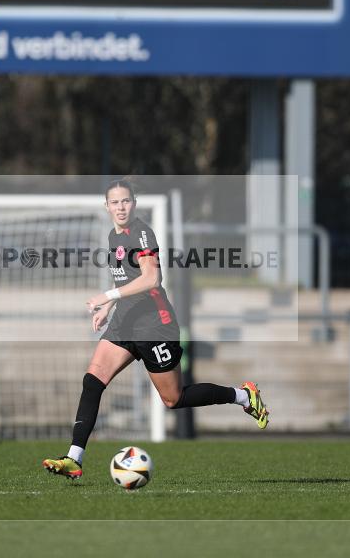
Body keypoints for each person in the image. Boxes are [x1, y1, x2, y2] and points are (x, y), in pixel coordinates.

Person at [42, 179, 269, 480]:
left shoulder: (142, 232)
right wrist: (110, 306)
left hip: (155, 325)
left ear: (133, 203)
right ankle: (74, 458)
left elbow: (151, 279)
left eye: (126, 201)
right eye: (115, 202)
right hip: (126, 320)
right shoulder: (113, 236)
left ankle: (242, 396)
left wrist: (107, 297)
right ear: (106, 206)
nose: (121, 207)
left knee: (173, 399)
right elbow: (126, 279)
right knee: (93, 380)